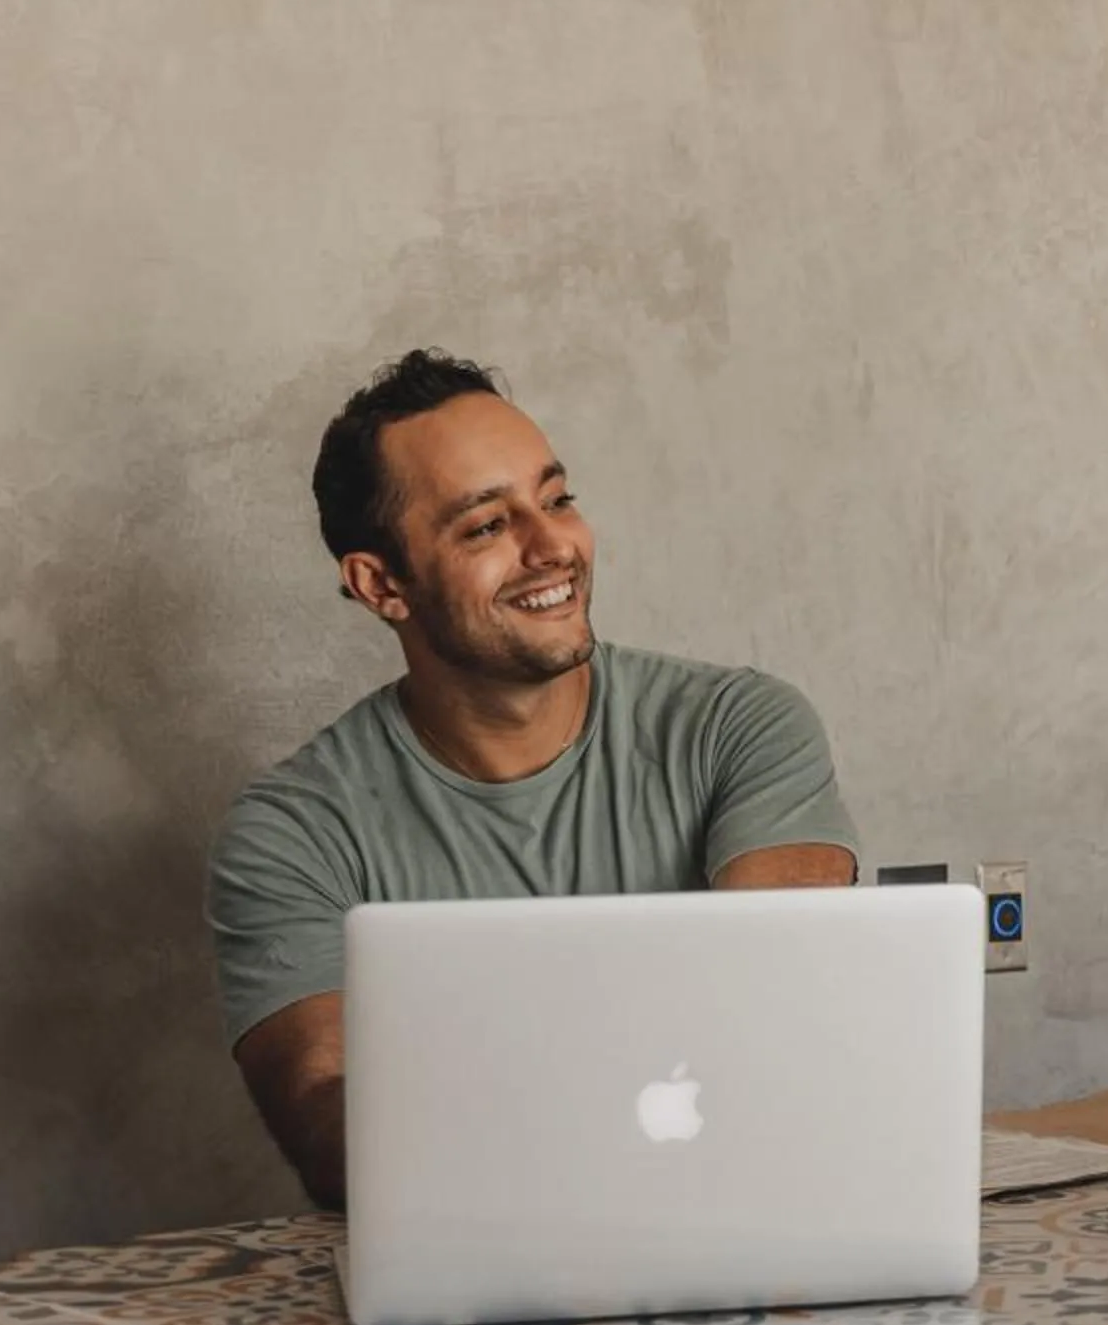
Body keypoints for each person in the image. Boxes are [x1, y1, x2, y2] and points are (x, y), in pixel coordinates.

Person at [207, 350, 860, 1209]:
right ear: (381, 583)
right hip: (469, 1278)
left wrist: (487, 1081)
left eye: (556, 500)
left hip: (748, 1220)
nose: (553, 548)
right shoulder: (291, 835)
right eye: (486, 527)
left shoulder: (740, 728)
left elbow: (791, 1011)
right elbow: (334, 1140)